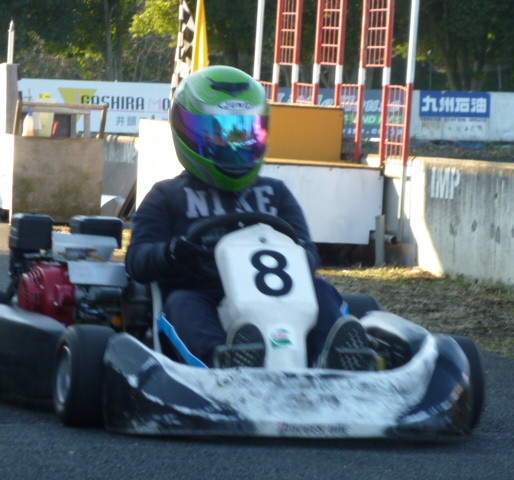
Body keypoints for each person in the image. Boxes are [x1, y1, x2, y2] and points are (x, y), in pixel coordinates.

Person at [126, 65, 376, 370]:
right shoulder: (167, 196)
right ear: (188, 133)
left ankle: (332, 359)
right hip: (206, 294)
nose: (234, 143)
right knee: (182, 303)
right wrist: (172, 253)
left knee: (322, 291)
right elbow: (137, 261)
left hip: (284, 300)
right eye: (220, 133)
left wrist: (298, 256)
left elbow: (307, 254)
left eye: (244, 132)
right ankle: (224, 361)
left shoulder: (275, 192)